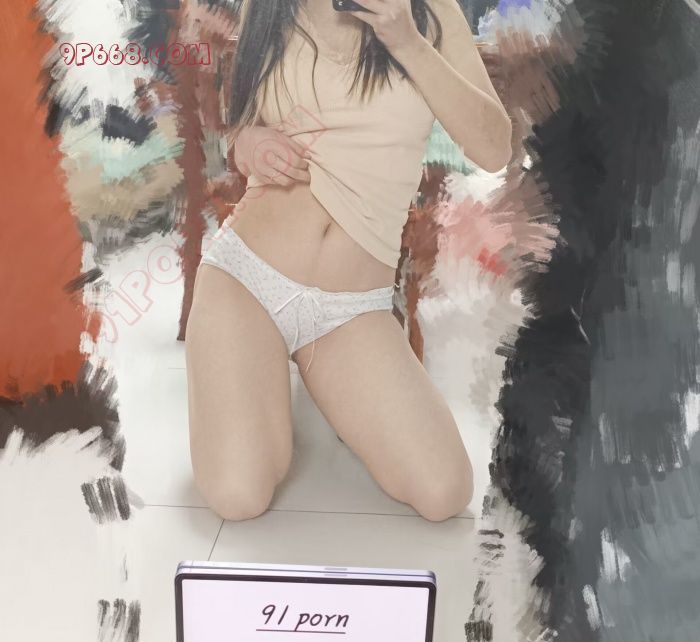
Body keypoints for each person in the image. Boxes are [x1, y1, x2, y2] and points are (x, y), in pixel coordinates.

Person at [185, 0, 512, 522]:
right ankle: (247, 369)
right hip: (247, 279)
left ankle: (290, 381)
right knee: (240, 495)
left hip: (350, 312)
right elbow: (243, 124)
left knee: (444, 491)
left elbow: (494, 148)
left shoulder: (429, 12)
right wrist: (247, 142)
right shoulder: (268, 7)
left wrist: (407, 43)